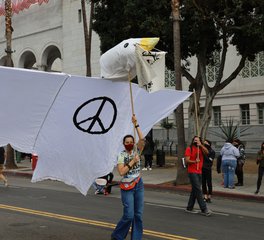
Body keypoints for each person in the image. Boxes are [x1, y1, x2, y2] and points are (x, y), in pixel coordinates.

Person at [111, 115, 145, 240]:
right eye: (127, 142)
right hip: (127, 187)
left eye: (131, 142)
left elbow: (142, 139)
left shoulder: (137, 150)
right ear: (124, 144)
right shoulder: (121, 155)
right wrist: (132, 162)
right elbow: (121, 172)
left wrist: (136, 124)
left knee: (138, 215)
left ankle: (136, 238)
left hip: (138, 184)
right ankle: (117, 236)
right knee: (129, 215)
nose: (130, 144)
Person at [185, 136, 212, 216]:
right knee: (198, 190)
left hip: (199, 171)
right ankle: (204, 209)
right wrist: (194, 161)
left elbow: (207, 152)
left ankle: (189, 207)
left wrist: (201, 145)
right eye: (195, 140)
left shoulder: (201, 148)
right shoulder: (189, 148)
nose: (196, 141)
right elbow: (187, 160)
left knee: (195, 190)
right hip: (192, 172)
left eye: (198, 140)